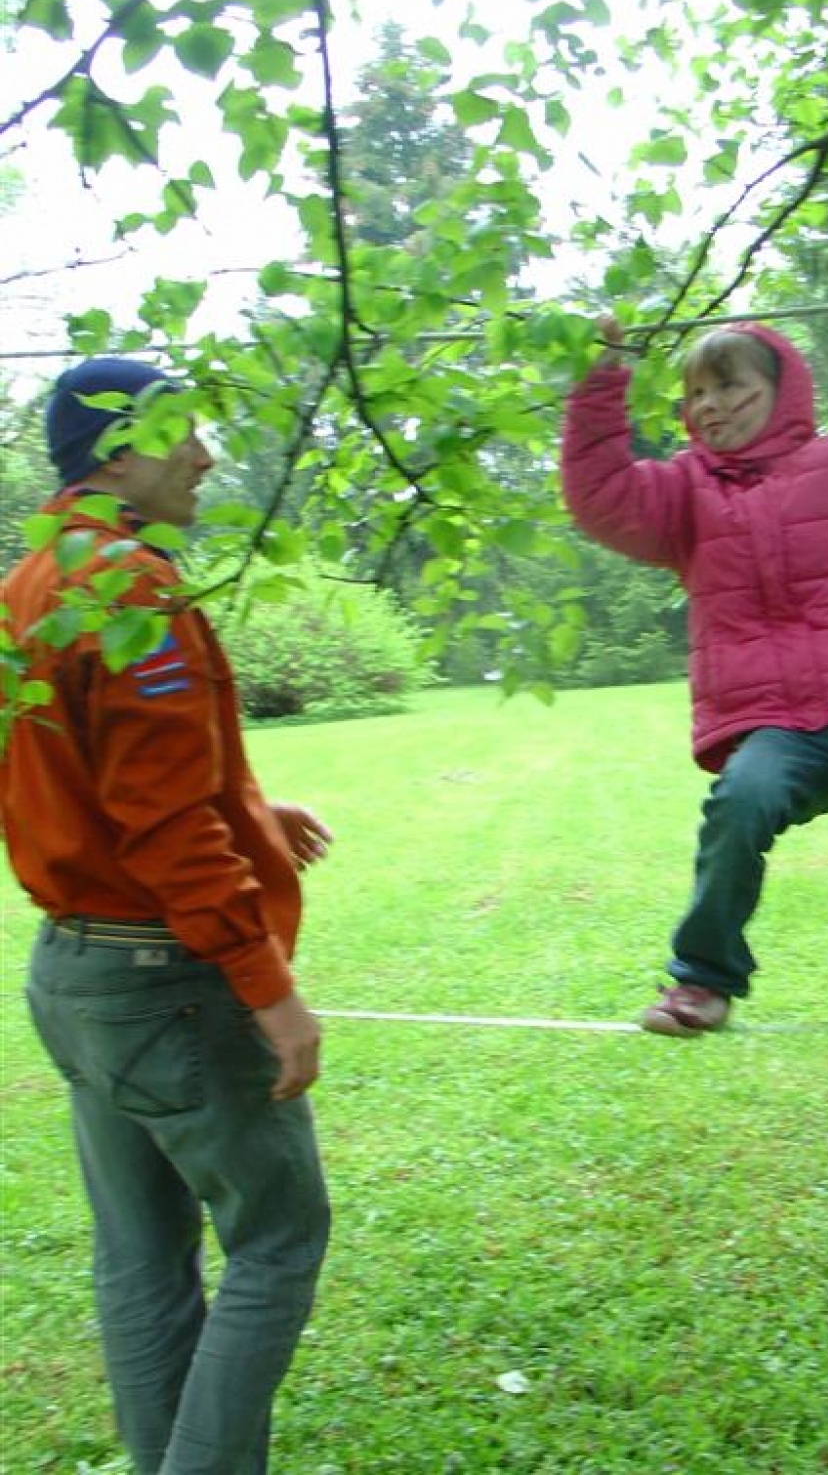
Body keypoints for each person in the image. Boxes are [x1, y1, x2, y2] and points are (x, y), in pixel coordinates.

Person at [0, 357, 333, 1474]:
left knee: (141, 1259)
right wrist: (271, 992)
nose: (204, 454)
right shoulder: (132, 587)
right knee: (280, 1238)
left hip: (74, 980)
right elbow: (157, 822)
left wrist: (246, 808)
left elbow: (97, 778)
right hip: (166, 988)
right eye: (180, 432)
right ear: (116, 452)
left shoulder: (34, 582)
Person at [560, 278, 828, 1050]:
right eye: (695, 392)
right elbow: (599, 496)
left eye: (729, 385)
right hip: (770, 726)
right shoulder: (680, 497)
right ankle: (703, 978)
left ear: (781, 388)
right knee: (741, 802)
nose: (709, 406)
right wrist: (603, 376)